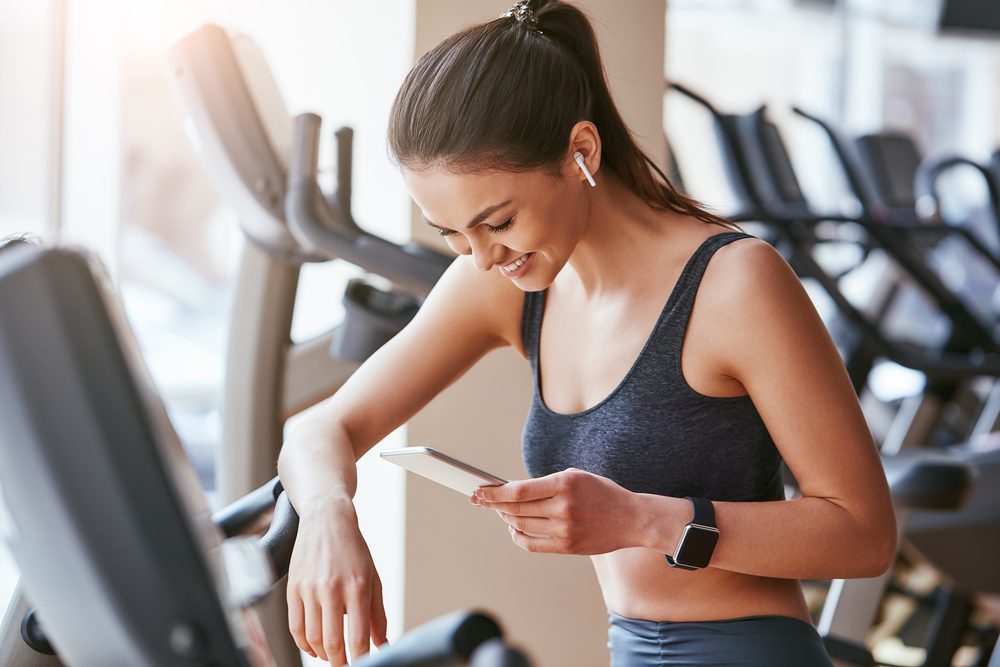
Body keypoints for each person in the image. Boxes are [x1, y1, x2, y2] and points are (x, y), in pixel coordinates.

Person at [277, 1, 896, 664]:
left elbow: (862, 533)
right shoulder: (504, 284)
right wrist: (328, 514)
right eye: (453, 234)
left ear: (580, 152)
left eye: (498, 222)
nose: (482, 256)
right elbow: (320, 428)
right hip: (626, 648)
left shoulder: (735, 284)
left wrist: (639, 518)